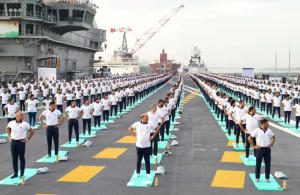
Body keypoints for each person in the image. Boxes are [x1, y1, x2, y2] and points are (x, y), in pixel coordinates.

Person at [128, 113, 162, 178]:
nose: (147, 118)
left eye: (147, 117)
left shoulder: (150, 124)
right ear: (142, 118)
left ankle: (148, 173)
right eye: (146, 117)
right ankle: (138, 172)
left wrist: (153, 136)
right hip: (139, 146)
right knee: (139, 160)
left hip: (147, 146)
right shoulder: (137, 124)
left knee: (147, 160)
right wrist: (133, 136)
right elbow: (130, 128)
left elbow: (157, 128)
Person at [6, 111, 34, 185]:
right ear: (17, 116)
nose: (22, 116)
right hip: (13, 142)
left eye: (23, 115)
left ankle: (22, 174)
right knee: (14, 158)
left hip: (21, 143)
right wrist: (9, 136)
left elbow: (32, 131)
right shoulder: (11, 123)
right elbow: (7, 128)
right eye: (21, 115)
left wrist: (27, 139)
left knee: (22, 158)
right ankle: (15, 173)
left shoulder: (25, 124)